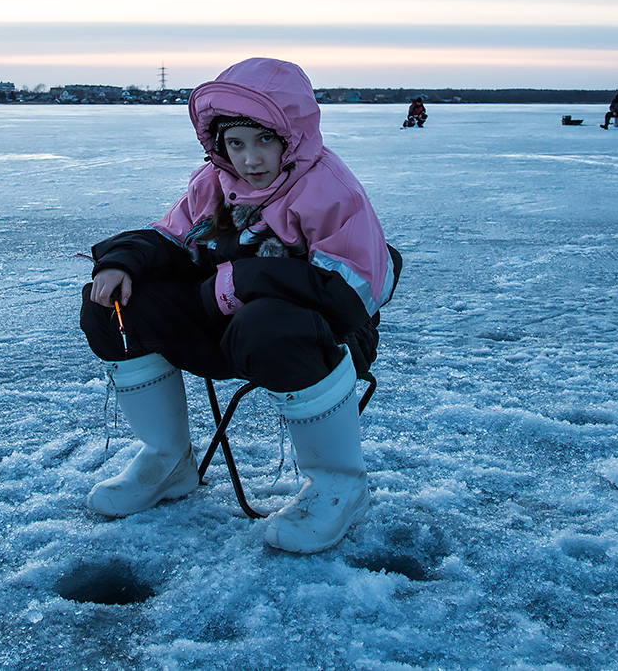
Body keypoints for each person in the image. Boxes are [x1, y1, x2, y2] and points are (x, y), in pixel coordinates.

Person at [79, 57, 400, 554]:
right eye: (236, 143)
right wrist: (120, 262)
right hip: (225, 326)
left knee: (269, 322)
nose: (250, 160)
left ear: (291, 135)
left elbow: (351, 295)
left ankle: (339, 485)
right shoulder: (214, 183)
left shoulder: (329, 190)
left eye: (264, 140)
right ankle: (167, 460)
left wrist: (244, 279)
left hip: (322, 340)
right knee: (113, 304)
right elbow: (171, 239)